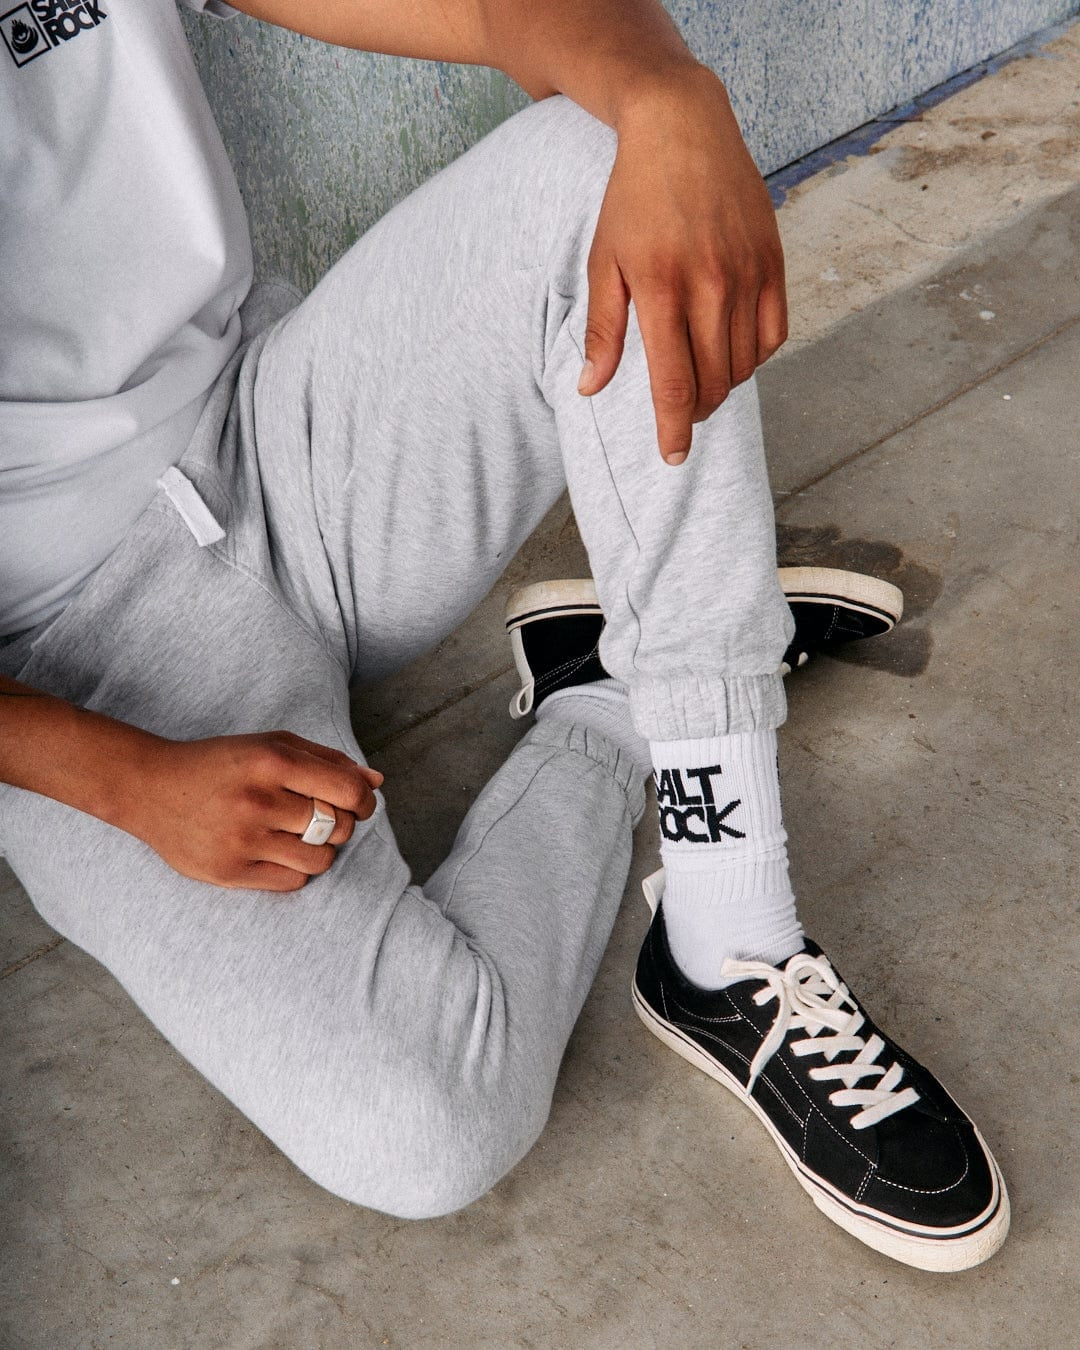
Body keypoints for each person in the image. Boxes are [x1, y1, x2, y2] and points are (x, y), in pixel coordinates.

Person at [0, 0, 1007, 1271]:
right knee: (427, 1123)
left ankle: (729, 927)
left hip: (277, 431)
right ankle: (613, 695)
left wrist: (660, 89)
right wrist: (120, 778)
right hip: (69, 654)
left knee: (609, 155)